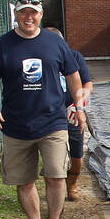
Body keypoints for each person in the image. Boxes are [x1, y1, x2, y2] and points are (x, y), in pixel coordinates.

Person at [0, 0, 86, 219]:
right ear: (16, 15)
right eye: (23, 12)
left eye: (33, 12)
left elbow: (73, 76)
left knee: (56, 175)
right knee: (24, 180)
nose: (29, 16)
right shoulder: (2, 45)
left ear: (41, 14)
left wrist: (79, 106)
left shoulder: (55, 43)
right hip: (16, 125)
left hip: (53, 123)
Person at [43, 28, 93, 201]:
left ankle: (72, 183)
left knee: (76, 152)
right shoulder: (40, 58)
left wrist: (79, 104)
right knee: (52, 155)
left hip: (71, 110)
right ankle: (54, 187)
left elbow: (87, 84)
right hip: (48, 114)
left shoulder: (74, 57)